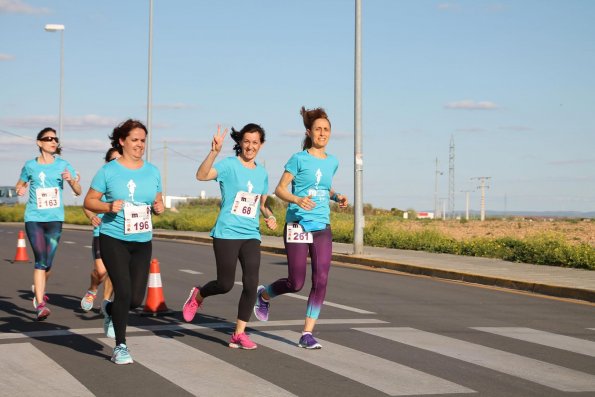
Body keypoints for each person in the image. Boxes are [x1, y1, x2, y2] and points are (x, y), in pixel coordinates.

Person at [253, 106, 348, 349]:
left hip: (321, 226)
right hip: (297, 224)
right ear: (309, 131)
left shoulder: (333, 162)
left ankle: (307, 333)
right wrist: (296, 200)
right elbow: (280, 189)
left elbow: (324, 187)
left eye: (326, 129)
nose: (323, 133)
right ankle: (264, 295)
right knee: (296, 282)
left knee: (322, 279)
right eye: (318, 129)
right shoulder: (298, 159)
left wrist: (337, 198)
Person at [182, 123, 277, 350]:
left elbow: (261, 204)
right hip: (226, 232)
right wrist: (214, 151)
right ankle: (199, 294)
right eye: (247, 141)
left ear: (261, 145)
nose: (250, 146)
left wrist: (270, 216)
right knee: (225, 284)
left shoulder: (262, 173)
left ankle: (238, 334)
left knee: (251, 283)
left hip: (250, 234)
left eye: (255, 142)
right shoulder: (229, 165)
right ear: (240, 143)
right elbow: (201, 175)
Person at [83, 119, 164, 365]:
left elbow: (157, 200)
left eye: (143, 141)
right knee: (124, 288)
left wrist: (159, 207)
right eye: (135, 140)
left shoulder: (153, 171)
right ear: (122, 141)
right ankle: (120, 346)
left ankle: (109, 309)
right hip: (113, 237)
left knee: (135, 299)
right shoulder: (109, 171)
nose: (140, 145)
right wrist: (108, 206)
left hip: (142, 240)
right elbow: (89, 201)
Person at [15, 127, 82, 321]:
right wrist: (20, 189)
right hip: (34, 218)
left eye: (55, 139)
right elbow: (20, 184)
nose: (53, 141)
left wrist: (71, 182)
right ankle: (40, 304)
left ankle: (39, 288)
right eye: (49, 138)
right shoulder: (30, 166)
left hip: (54, 219)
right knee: (40, 260)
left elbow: (78, 190)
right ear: (39, 143)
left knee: (48, 263)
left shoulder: (63, 164)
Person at [80, 148, 120, 312]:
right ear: (107, 162)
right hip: (101, 232)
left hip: (121, 233)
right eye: (113, 160)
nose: (117, 162)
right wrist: (91, 217)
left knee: (113, 271)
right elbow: (87, 205)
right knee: (101, 271)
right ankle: (92, 289)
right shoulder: (104, 182)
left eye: (120, 159)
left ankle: (105, 302)